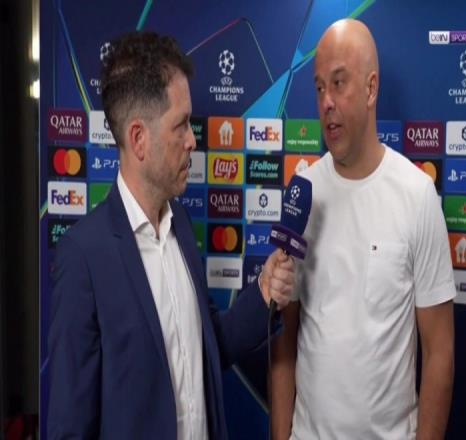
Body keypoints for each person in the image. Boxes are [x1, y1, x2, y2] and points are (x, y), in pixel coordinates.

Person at [48, 31, 295, 440]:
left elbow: (207, 348)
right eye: (181, 126)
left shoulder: (179, 221)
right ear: (139, 139)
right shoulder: (84, 257)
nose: (193, 140)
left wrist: (265, 291)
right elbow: (69, 426)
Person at [271, 19, 455, 439]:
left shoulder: (416, 195)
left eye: (339, 84)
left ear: (372, 89)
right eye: (319, 88)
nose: (327, 102)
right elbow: (284, 341)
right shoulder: (302, 194)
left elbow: (440, 353)